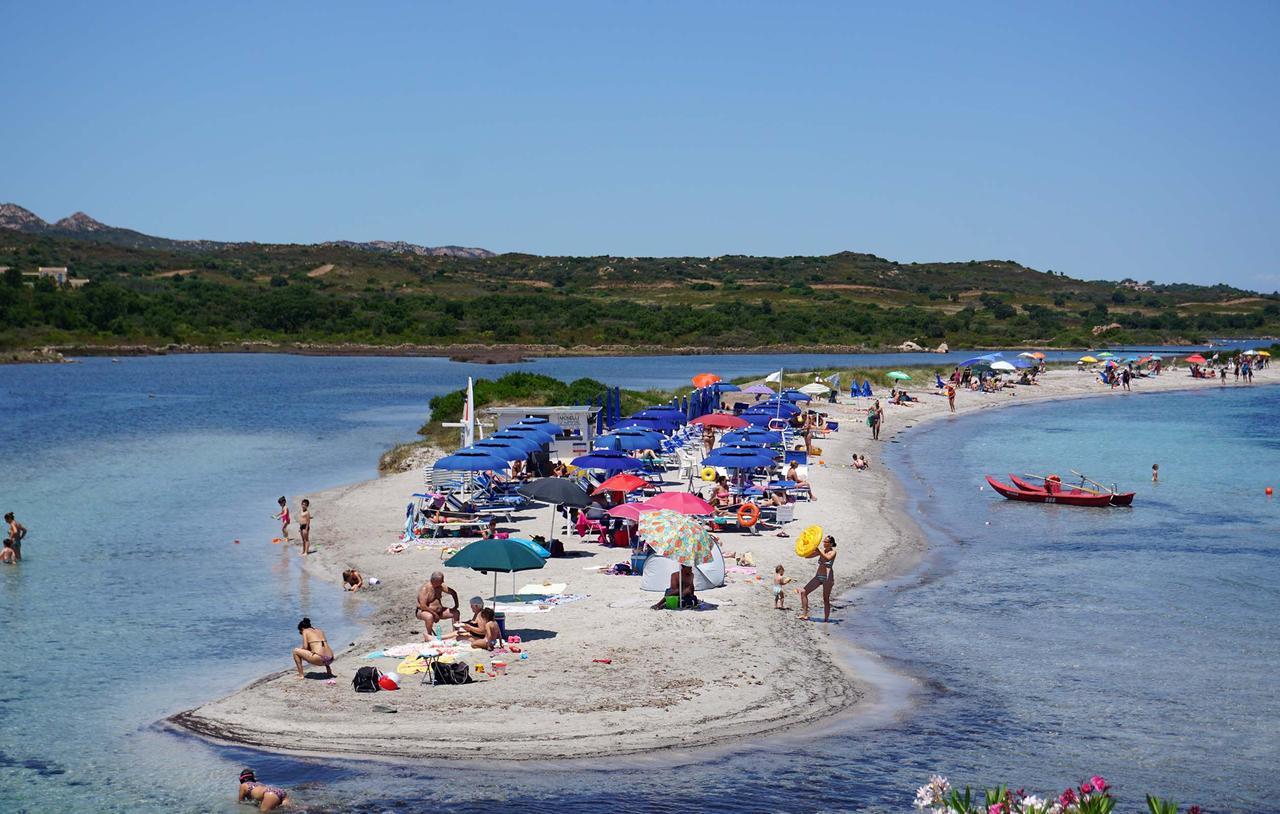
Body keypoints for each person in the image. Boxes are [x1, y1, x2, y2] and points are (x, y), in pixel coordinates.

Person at [796, 535, 837, 622]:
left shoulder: (833, 552)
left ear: (831, 544)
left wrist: (819, 551)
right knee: (803, 592)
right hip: (818, 576)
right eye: (824, 541)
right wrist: (808, 549)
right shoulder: (822, 551)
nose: (824, 543)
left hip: (827, 578)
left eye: (826, 542)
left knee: (826, 598)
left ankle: (826, 619)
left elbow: (827, 558)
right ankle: (805, 615)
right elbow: (807, 556)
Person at [416, 571, 461, 639]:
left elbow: (453, 592)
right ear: (435, 581)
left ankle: (454, 634)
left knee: (456, 613)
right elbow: (423, 606)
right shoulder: (425, 589)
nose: (443, 582)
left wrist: (456, 605)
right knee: (429, 617)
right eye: (441, 580)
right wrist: (434, 614)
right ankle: (429, 636)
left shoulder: (440, 586)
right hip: (424, 611)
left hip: (439, 612)